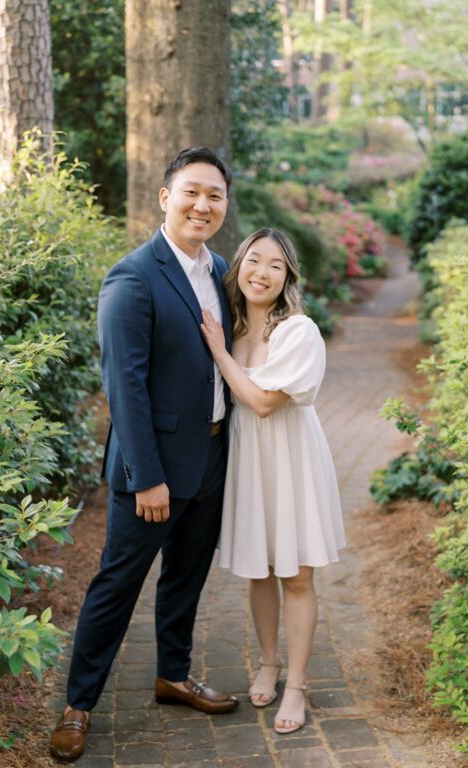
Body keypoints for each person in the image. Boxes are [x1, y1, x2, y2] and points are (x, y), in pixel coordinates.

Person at [51, 147, 239, 764]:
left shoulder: (220, 273)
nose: (202, 205)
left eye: (214, 195)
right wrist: (145, 479)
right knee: (117, 584)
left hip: (213, 457)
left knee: (187, 577)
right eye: (191, 192)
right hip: (152, 471)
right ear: (165, 197)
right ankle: (79, 704)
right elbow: (123, 387)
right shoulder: (133, 276)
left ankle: (173, 676)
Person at [199, 227, 345, 735]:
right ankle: (268, 661)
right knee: (260, 570)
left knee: (297, 576)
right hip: (248, 460)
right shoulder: (233, 327)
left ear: (288, 279)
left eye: (275, 266)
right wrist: (224, 344)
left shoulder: (297, 332)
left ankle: (299, 685)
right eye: (254, 261)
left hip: (289, 457)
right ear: (238, 267)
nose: (262, 272)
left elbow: (262, 403)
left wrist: (219, 353)